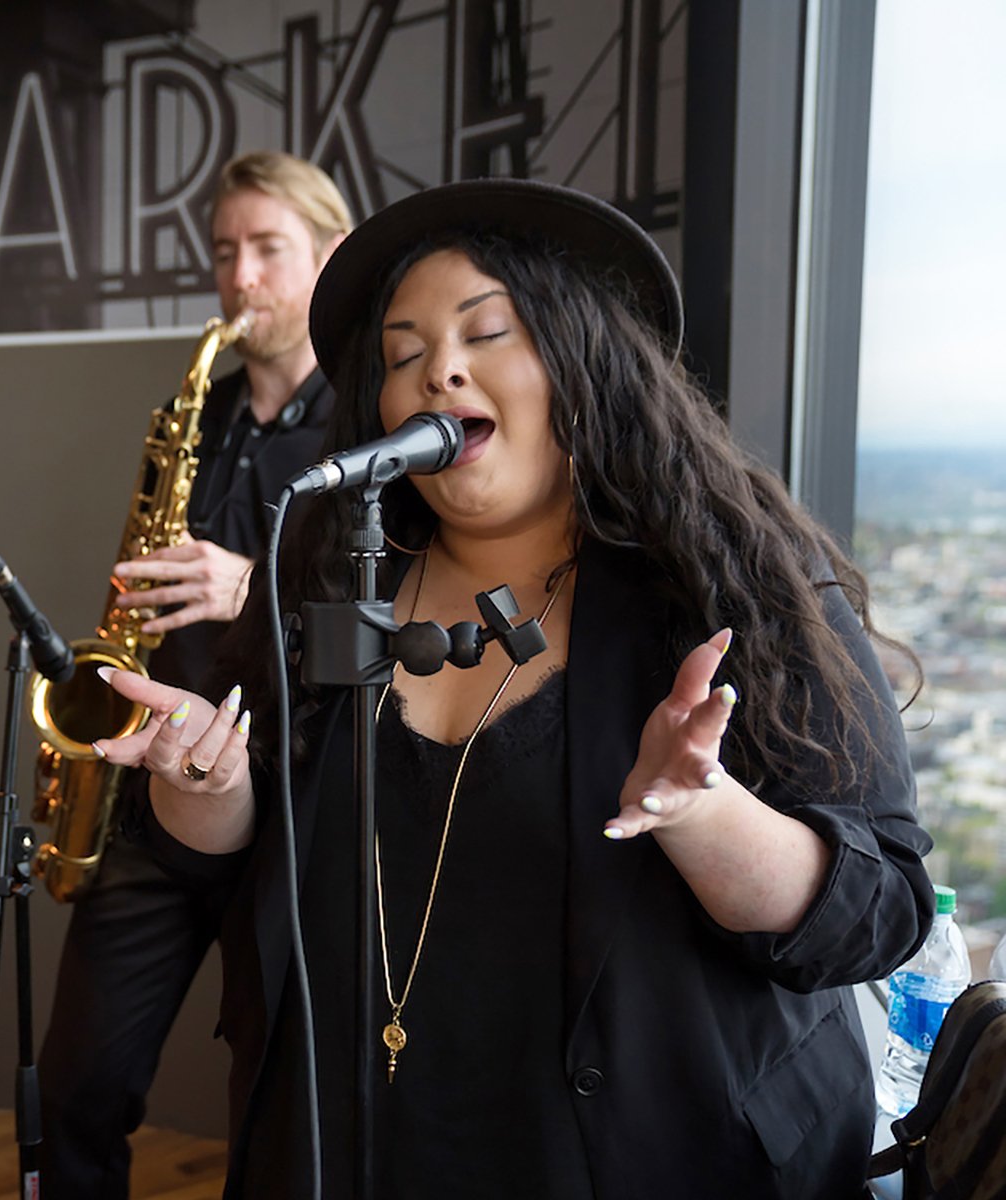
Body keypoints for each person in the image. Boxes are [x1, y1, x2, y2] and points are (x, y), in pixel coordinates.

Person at [91, 178, 934, 1198]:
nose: (438, 370)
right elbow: (234, 874)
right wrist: (207, 786)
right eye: (402, 354)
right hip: (350, 1153)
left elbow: (879, 914)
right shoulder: (331, 579)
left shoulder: (729, 581)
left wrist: (704, 813)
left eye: (486, 333)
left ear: (583, 362)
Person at [37, 151, 350, 1198]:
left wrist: (251, 583)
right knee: (76, 1083)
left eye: (268, 249)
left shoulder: (371, 425)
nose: (240, 277)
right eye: (225, 252)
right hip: (163, 781)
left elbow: (403, 608)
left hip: (298, 800)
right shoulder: (195, 412)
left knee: (277, 1102)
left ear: (330, 257)